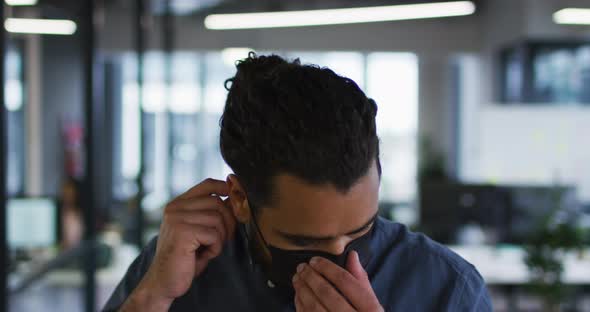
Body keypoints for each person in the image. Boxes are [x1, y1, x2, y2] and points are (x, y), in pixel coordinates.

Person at [103, 53, 492, 312]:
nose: (344, 259)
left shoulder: (448, 290)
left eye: (362, 230)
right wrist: (152, 296)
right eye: (305, 242)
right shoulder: (181, 263)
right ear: (240, 199)